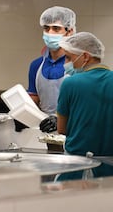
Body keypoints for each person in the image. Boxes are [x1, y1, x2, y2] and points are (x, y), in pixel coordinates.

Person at [41, 32, 113, 180]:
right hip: (109, 172)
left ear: (85, 57)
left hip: (77, 169)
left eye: (68, 57)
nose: (66, 63)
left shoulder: (70, 83)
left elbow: (62, 129)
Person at [27, 6, 76, 115]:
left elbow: (86, 104)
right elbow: (33, 98)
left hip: (72, 128)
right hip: (43, 127)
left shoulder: (77, 65)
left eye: (56, 28)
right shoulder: (36, 65)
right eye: (46, 28)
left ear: (69, 32)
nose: (50, 33)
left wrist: (59, 118)